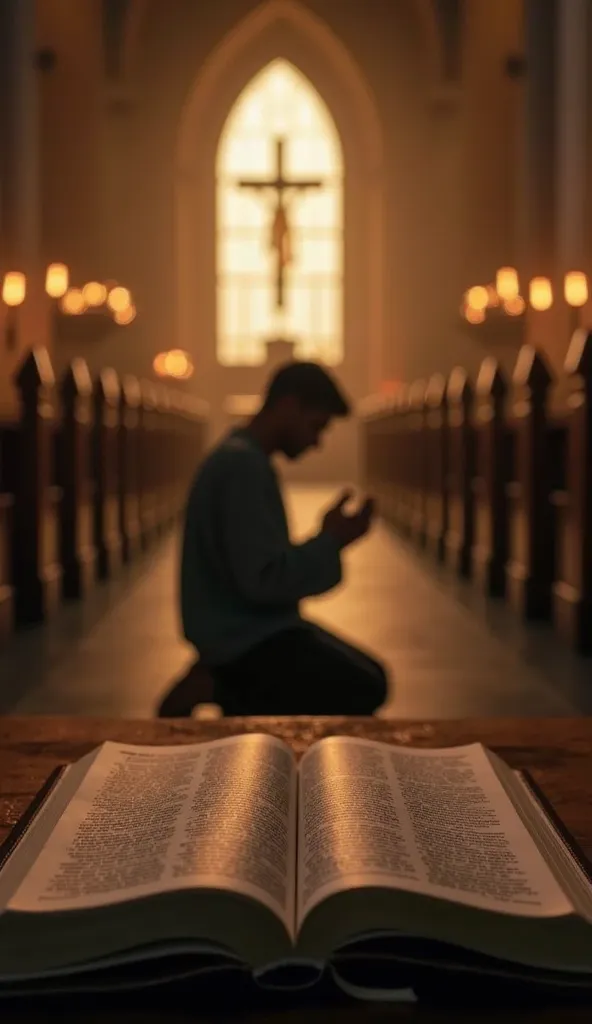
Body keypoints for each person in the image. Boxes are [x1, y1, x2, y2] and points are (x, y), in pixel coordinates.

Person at [158, 361, 388, 717]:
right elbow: (262, 580)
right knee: (364, 687)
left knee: (371, 676)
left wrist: (330, 539)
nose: (317, 442)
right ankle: (220, 683)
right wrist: (330, 541)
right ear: (288, 406)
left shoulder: (245, 457)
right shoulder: (242, 467)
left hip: (253, 625)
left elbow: (261, 565)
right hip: (242, 637)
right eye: (316, 426)